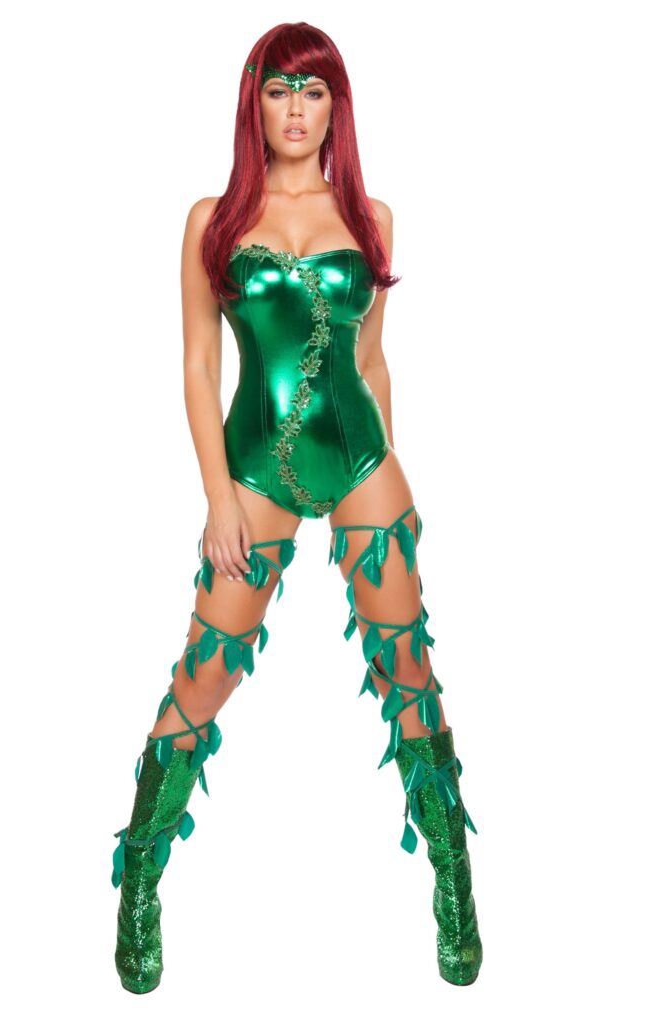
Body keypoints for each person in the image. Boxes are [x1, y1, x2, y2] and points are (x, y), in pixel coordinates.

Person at [111, 21, 483, 994]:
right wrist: (216, 499)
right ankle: (139, 879)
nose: (296, 109)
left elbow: (371, 360)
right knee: (203, 677)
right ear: (255, 103)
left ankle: (453, 876)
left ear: (335, 108)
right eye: (279, 90)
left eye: (313, 92)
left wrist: (390, 477)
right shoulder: (213, 218)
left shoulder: (372, 215)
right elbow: (198, 366)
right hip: (253, 472)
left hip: (362, 463)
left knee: (409, 672)